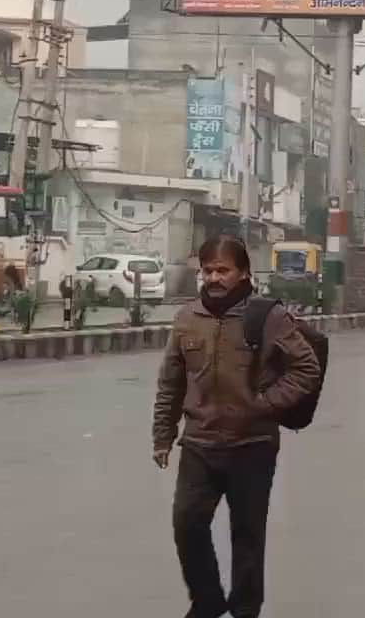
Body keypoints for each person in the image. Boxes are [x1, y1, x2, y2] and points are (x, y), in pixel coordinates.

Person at [153, 235, 321, 618]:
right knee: (188, 523)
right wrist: (163, 435)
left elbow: (306, 368)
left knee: (246, 535)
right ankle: (208, 600)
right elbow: (171, 382)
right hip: (199, 443)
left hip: (252, 444)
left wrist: (264, 404)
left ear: (243, 272)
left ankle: (246, 610)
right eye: (208, 270)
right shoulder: (186, 318)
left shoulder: (266, 317)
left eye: (223, 270)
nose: (214, 277)